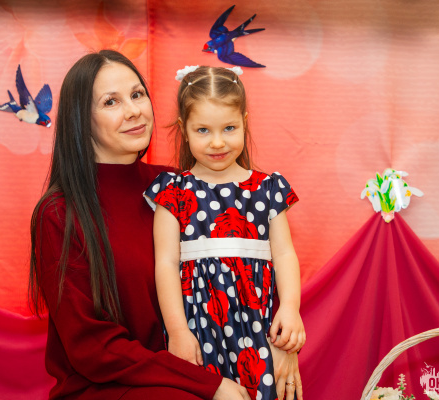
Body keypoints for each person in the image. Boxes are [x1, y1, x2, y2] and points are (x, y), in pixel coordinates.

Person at [29, 50, 256, 400]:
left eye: (137, 94)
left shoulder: (177, 187)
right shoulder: (59, 214)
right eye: (111, 102)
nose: (134, 110)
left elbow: (245, 274)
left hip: (195, 369)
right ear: (80, 120)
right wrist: (206, 385)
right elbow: (93, 348)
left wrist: (278, 346)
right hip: (106, 387)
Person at [144, 66, 305, 400]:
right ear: (184, 130)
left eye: (229, 128)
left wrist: (290, 308)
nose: (217, 142)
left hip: (257, 331)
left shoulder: (268, 189)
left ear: (245, 122)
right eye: (203, 130)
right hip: (197, 332)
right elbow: (166, 264)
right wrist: (177, 331)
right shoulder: (173, 192)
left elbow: (284, 254)